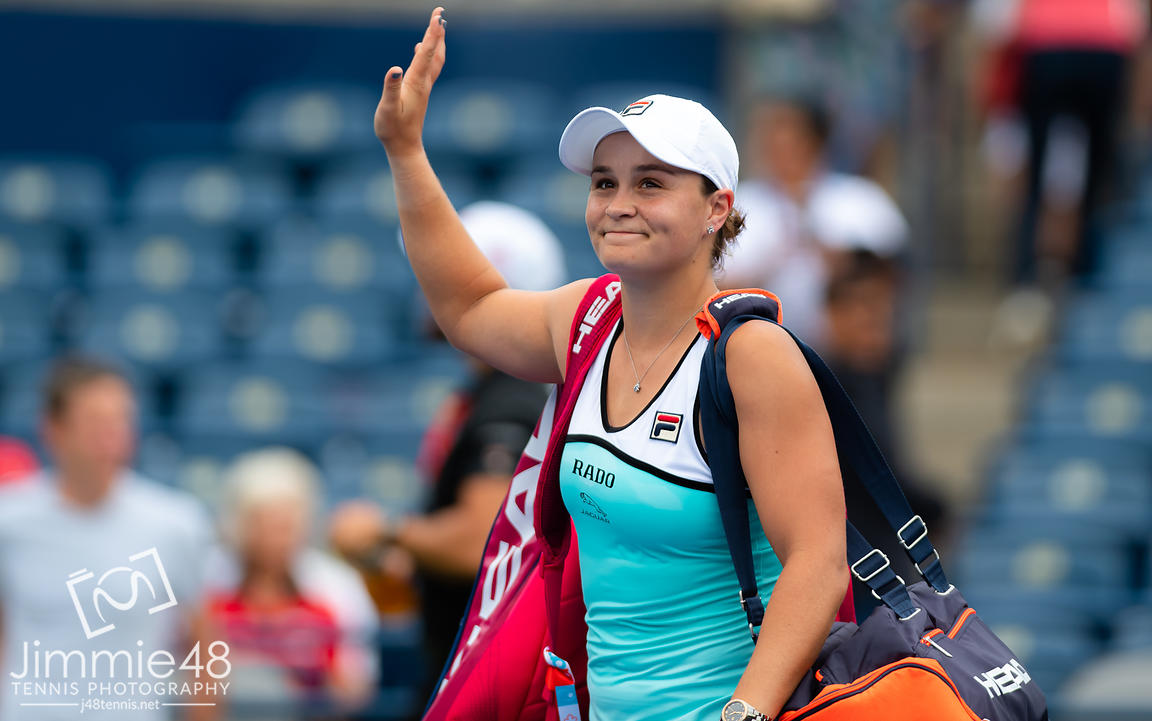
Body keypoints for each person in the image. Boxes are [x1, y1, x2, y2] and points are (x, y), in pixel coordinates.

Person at [369, 9, 849, 721]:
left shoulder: (752, 356)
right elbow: (469, 310)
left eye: (650, 184)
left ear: (718, 208)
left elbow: (817, 565)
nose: (618, 206)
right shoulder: (587, 318)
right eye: (604, 183)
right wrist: (406, 151)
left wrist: (742, 715)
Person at [328, 200, 566, 698]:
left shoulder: (510, 396)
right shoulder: (498, 390)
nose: (427, 287)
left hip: (479, 677)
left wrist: (385, 533)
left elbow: (477, 542)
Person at [0, 357, 217, 721]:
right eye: (95, 422)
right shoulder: (10, 520)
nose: (110, 437)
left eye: (121, 420)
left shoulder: (175, 523)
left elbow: (204, 647)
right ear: (53, 429)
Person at [717, 95, 908, 352]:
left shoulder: (860, 198)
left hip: (846, 359)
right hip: (760, 349)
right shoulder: (739, 204)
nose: (780, 149)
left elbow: (892, 275)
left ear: (816, 141)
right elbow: (713, 285)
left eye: (790, 137)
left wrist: (835, 259)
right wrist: (769, 263)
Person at [203, 447, 379, 714]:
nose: (276, 538)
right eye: (263, 524)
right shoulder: (206, 585)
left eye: (285, 525)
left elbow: (354, 688)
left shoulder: (337, 587)